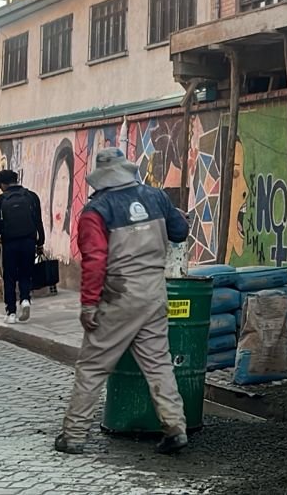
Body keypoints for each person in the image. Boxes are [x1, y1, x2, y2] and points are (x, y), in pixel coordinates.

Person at [55, 148, 190, 456]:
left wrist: (89, 304)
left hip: (118, 295)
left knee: (93, 366)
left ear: (101, 177)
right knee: (158, 363)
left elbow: (95, 261)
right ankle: (175, 427)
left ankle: (73, 435)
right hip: (154, 293)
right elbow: (180, 232)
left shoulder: (96, 211)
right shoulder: (157, 197)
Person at [0, 168, 45, 324]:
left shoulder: (1, 200)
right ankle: (25, 300)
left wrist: (2, 230)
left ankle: (11, 312)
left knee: (9, 276)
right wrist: (40, 242)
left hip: (9, 243)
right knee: (26, 273)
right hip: (29, 242)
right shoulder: (31, 196)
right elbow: (38, 221)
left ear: (3, 184)